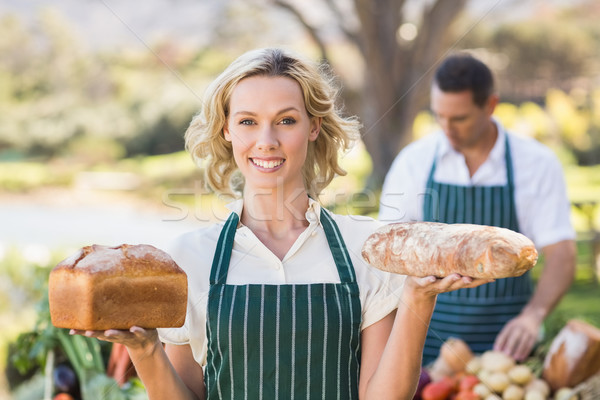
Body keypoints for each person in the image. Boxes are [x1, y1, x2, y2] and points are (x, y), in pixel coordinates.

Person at [71, 48, 490, 399]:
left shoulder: (366, 248)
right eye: (248, 121)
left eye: (286, 120)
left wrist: (419, 298)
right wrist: (146, 351)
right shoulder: (188, 258)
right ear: (227, 131)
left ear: (314, 127)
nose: (266, 140)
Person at [379, 53, 577, 365]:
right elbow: (390, 252)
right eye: (438, 116)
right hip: (427, 350)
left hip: (508, 353)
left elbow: (562, 255)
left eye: (459, 118)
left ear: (491, 105)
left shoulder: (536, 164)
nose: (447, 128)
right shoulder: (414, 161)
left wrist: (533, 316)